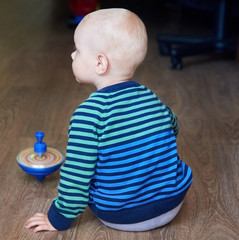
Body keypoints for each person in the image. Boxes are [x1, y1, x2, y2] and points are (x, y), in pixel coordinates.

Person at [25, 8, 193, 233]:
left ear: (100, 64)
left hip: (121, 215)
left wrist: (57, 219)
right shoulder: (151, 97)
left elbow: (76, 176)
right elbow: (174, 126)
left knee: (89, 173)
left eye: (78, 50)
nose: (72, 55)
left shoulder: (88, 115)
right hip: (172, 203)